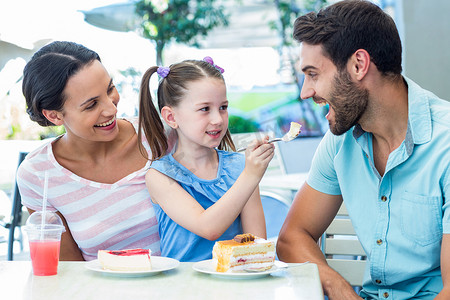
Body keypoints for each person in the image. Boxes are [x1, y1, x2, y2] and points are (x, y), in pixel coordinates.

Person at [276, 1, 450, 299]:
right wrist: (338, 286)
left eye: (313, 74)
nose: (306, 92)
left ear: (359, 65)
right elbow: (293, 237)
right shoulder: (340, 140)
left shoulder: (445, 144)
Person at [17, 41, 166, 261]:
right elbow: (68, 272)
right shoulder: (38, 175)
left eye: (110, 89)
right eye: (91, 105)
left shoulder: (160, 135)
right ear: (54, 116)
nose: (112, 108)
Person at [138, 57, 275, 262]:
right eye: (204, 109)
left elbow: (257, 246)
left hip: (234, 284)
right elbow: (208, 228)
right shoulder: (159, 176)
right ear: (171, 117)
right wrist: (250, 175)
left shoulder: (240, 167)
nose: (218, 119)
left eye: (223, 107)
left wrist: (249, 173)